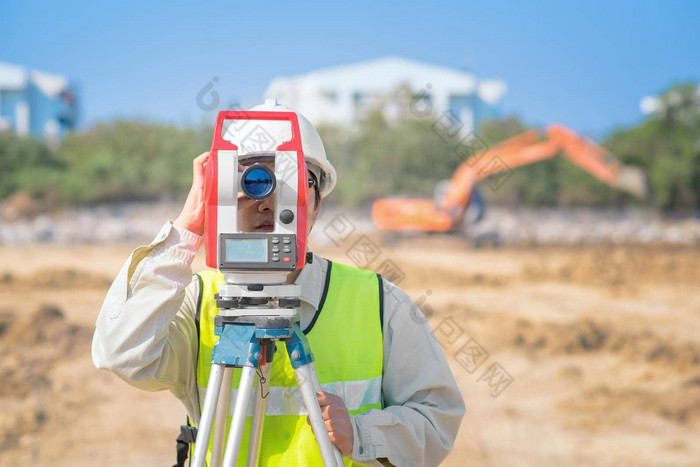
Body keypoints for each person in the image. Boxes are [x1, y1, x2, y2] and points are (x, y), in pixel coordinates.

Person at [92, 100, 465, 466]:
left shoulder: (379, 302)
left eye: (286, 181)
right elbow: (121, 353)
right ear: (218, 193)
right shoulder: (198, 300)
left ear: (317, 204)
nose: (267, 201)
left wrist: (363, 433)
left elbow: (438, 419)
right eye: (250, 180)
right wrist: (186, 228)